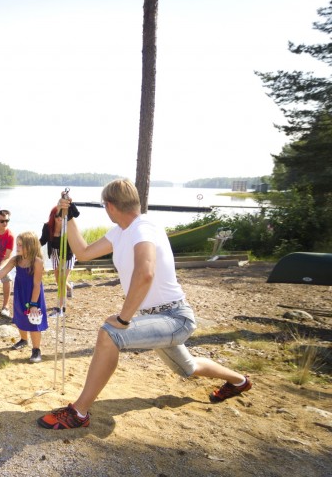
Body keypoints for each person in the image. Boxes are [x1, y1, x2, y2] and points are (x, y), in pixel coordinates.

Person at [38, 179, 252, 429]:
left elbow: (146, 272)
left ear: (110, 206)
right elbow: (84, 253)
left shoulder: (143, 227)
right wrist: (69, 216)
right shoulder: (121, 231)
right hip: (160, 320)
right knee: (188, 368)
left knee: (109, 335)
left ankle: (79, 413)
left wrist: (123, 319)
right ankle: (239, 381)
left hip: (174, 318)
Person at [0, 231, 48, 363]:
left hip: (33, 295)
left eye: (20, 245)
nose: (17, 247)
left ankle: (36, 350)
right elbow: (2, 272)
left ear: (30, 246)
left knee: (34, 321)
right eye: (17, 244)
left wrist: (33, 305)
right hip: (20, 293)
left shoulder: (37, 262)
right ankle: (24, 340)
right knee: (20, 317)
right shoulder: (16, 260)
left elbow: (37, 284)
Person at [39, 205, 75, 317]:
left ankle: (59, 309)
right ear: (52, 216)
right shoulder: (47, 227)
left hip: (67, 255)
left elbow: (74, 243)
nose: (59, 218)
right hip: (55, 254)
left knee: (61, 282)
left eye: (61, 215)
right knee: (59, 281)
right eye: (56, 215)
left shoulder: (68, 227)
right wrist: (32, 247)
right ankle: (69, 287)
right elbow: (43, 240)